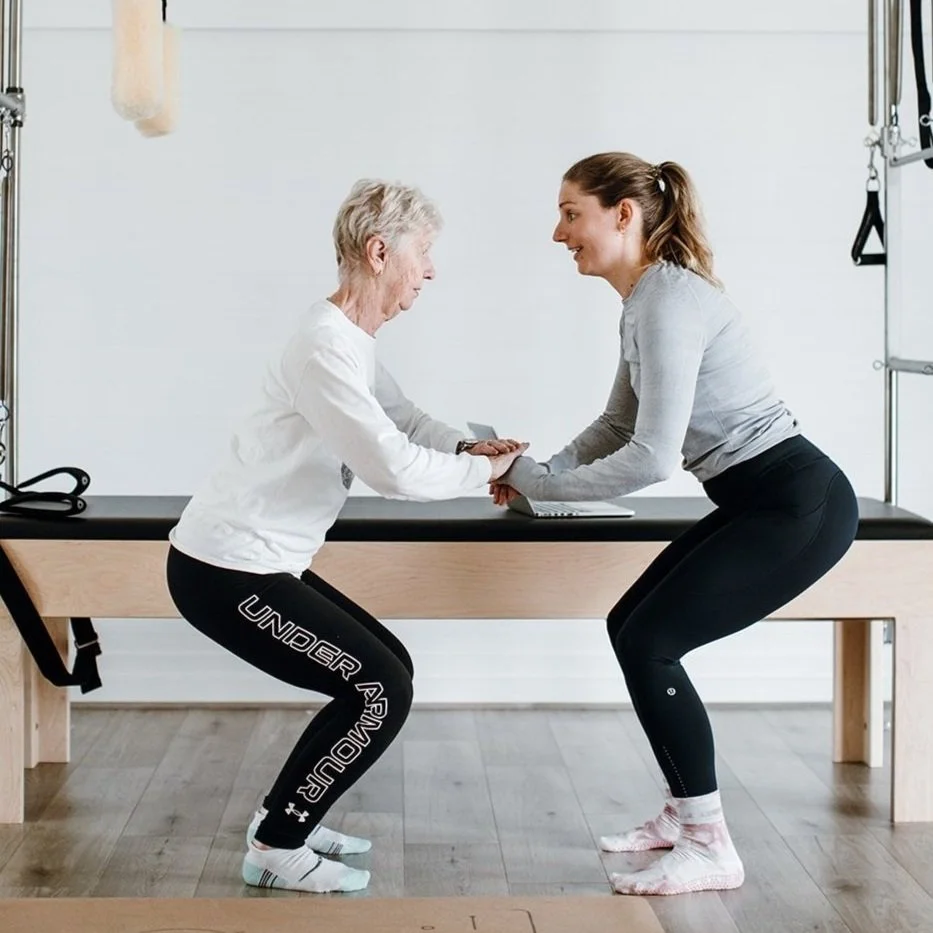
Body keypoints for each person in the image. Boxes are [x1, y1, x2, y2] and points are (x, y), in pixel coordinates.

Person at [491, 152, 858, 896]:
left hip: (796, 501)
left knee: (652, 641)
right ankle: (681, 811)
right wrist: (539, 478)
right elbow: (615, 422)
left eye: (571, 214)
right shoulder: (645, 301)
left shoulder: (667, 301)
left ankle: (708, 842)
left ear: (622, 214)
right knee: (630, 623)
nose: (558, 233)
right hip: (757, 498)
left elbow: (652, 455)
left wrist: (537, 481)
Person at [166, 179, 526, 894]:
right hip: (227, 570)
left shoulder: (350, 342)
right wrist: (478, 472)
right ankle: (276, 844)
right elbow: (390, 464)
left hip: (261, 565)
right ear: (380, 249)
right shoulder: (323, 349)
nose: (429, 271)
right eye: (423, 253)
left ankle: (286, 814)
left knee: (387, 667)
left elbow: (407, 420)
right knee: (377, 689)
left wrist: (472, 450)